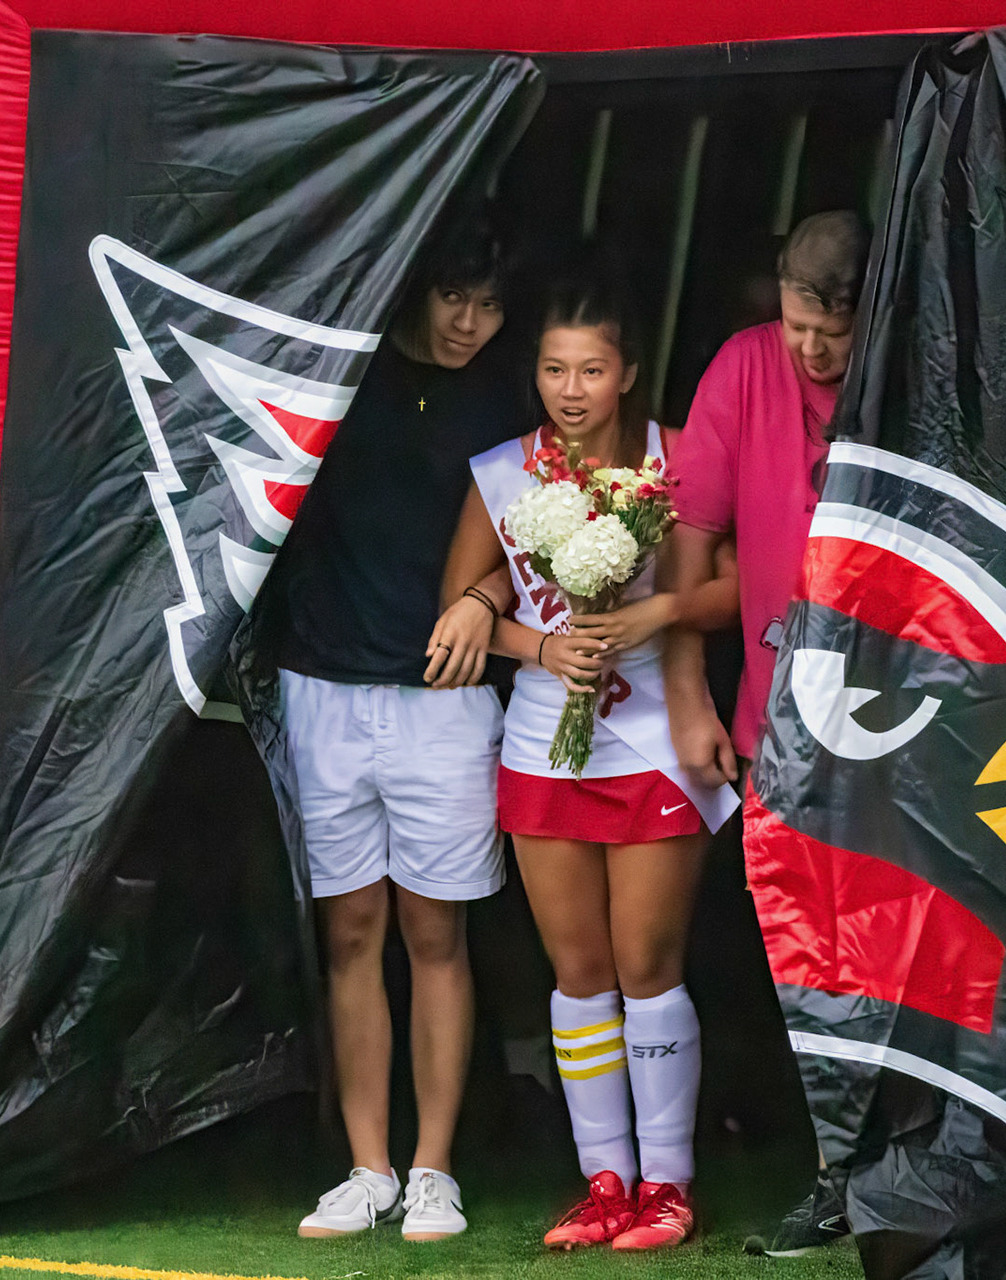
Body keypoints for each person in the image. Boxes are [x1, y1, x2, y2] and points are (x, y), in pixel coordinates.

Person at [438, 273, 740, 1251]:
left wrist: (653, 613)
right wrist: (540, 646)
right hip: (543, 745)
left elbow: (738, 585)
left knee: (647, 965)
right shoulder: (505, 470)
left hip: (654, 738)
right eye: (554, 369)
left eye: (592, 370)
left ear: (630, 373)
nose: (571, 390)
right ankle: (603, 1182)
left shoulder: (679, 459)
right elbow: (460, 607)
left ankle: (669, 1187)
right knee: (578, 972)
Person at [253, 214, 527, 1242]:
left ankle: (432, 1170)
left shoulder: (505, 395)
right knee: (351, 933)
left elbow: (539, 543)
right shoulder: (341, 368)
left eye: (490, 305)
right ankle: (365, 1167)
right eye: (456, 297)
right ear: (416, 285)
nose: (470, 322)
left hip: (445, 699)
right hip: (321, 685)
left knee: (436, 933)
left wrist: (485, 600)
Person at [661, 209, 870, 1258]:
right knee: (804, 958)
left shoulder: (909, 361)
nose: (813, 352)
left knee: (897, 952)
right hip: (775, 724)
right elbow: (687, 547)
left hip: (901, 725)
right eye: (799, 329)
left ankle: (910, 1168)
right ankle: (836, 1174)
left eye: (833, 333)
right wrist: (688, 696)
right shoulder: (745, 367)